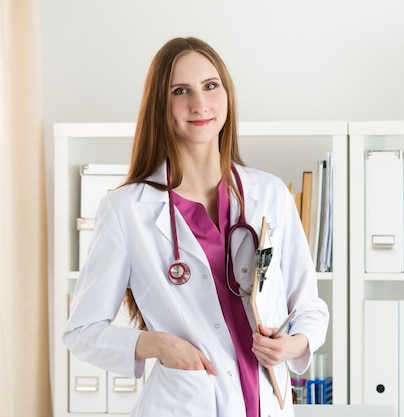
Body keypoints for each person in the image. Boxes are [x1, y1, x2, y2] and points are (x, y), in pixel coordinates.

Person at [63, 36, 329, 417]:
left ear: (226, 95)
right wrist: (156, 345)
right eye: (181, 90)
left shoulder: (269, 194)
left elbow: (309, 306)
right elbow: (82, 330)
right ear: (161, 105)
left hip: (267, 400)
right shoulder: (126, 210)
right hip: (185, 403)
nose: (199, 104)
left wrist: (296, 343)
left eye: (210, 86)